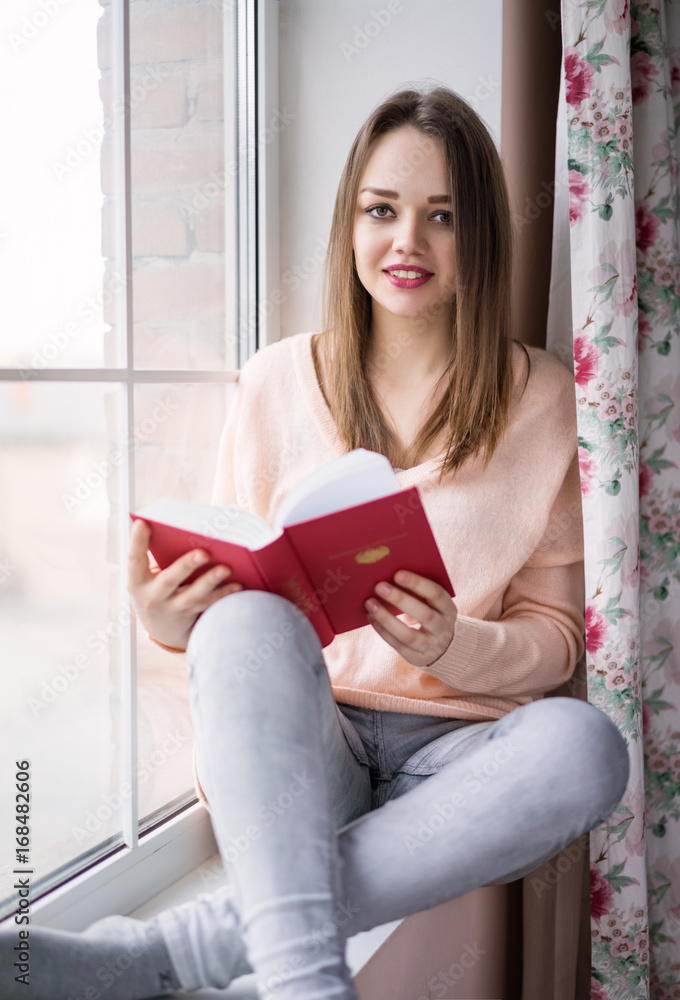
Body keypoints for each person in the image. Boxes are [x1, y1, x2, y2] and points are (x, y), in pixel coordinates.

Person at [0, 84, 630, 1000]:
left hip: (457, 764)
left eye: (442, 216)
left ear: (481, 235)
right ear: (351, 224)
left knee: (586, 747)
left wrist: (456, 643)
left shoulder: (543, 401)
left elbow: (557, 640)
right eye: (382, 210)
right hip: (303, 752)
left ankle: (160, 959)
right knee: (241, 626)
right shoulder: (274, 381)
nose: (406, 242)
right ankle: (307, 984)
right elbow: (235, 582)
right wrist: (171, 621)